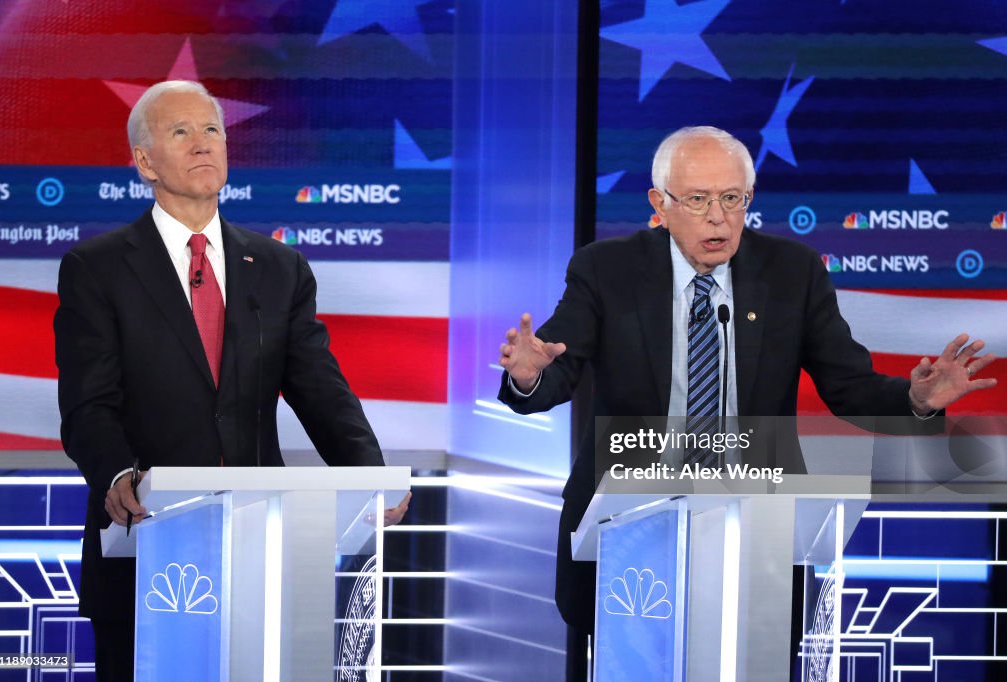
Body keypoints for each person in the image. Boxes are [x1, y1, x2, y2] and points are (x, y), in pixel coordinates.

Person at [497, 126, 998, 640]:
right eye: (697, 200)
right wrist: (530, 376)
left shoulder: (791, 272)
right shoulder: (606, 269)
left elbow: (848, 386)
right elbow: (558, 363)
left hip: (757, 523)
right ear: (659, 203)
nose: (718, 216)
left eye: (732, 199)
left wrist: (915, 400)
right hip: (628, 524)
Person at [54, 80, 409, 680]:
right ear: (144, 161)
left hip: (260, 543)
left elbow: (319, 387)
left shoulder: (277, 267)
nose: (203, 144)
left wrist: (370, 473)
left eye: (212, 130)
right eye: (180, 132)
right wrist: (117, 475)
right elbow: (88, 405)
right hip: (145, 545)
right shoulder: (98, 267)